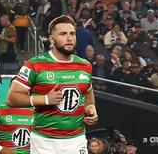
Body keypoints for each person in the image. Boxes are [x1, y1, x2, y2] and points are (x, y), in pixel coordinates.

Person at [6, 16, 97, 154]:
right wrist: (45, 99)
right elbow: (12, 98)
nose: (69, 38)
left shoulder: (85, 65)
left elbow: (88, 92)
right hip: (45, 142)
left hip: (76, 140)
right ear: (51, 39)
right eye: (63, 34)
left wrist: (90, 108)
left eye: (72, 33)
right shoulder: (34, 65)